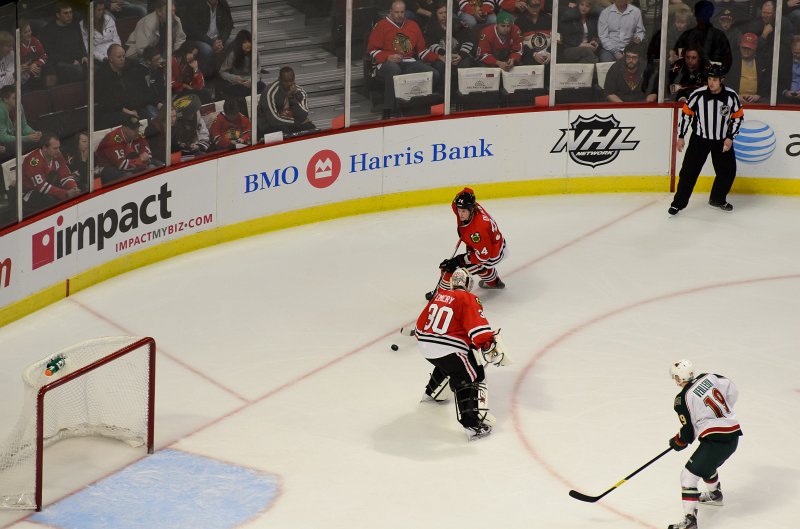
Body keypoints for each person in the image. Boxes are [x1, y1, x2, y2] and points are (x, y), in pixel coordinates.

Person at [415, 267, 510, 441]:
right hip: (447, 348)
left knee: (450, 363)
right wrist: (488, 343)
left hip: (425, 346)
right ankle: (472, 425)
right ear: (468, 284)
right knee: (471, 375)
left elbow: (420, 325)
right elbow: (477, 328)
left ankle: (432, 393)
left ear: (452, 282)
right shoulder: (468, 298)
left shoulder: (438, 295)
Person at [666, 359, 742, 529]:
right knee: (706, 464)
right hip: (733, 436)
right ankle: (715, 494)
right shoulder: (709, 377)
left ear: (679, 378)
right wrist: (723, 415)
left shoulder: (682, 398)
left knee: (688, 476)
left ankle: (690, 521)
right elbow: (732, 389)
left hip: (716, 441)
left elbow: (687, 433)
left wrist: (678, 441)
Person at [669, 64, 744, 216]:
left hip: (721, 141)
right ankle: (678, 204)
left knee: (728, 172)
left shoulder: (731, 96)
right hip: (699, 140)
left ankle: (717, 199)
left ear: (722, 80)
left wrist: (730, 137)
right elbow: (686, 115)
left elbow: (738, 118)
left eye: (715, 79)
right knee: (688, 173)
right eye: (709, 79)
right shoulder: (698, 94)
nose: (711, 82)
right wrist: (681, 136)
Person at [367, 0, 440, 119]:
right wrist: (388, 57)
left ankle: (420, 107)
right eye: (396, 12)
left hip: (407, 62)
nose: (399, 15)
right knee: (394, 70)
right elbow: (371, 51)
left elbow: (422, 51)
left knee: (434, 74)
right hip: (385, 64)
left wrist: (440, 57)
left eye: (402, 12)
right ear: (391, 12)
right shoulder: (381, 25)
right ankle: (388, 111)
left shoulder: (413, 25)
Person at [433, 187, 508, 298]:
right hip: (491, 245)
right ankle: (493, 282)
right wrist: (464, 193)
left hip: (491, 255)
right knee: (477, 264)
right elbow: (464, 194)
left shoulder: (477, 230)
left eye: (463, 211)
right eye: (459, 210)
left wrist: (459, 260)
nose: (460, 214)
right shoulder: (468, 207)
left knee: (451, 270)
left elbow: (483, 257)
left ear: (471, 209)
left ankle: (440, 297)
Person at [21, 132, 81, 217]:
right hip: (30, 193)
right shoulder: (34, 161)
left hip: (50, 186)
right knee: (49, 200)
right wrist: (66, 193)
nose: (59, 151)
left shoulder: (57, 155)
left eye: (59, 147)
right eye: (55, 148)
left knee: (80, 188)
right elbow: (41, 187)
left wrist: (74, 187)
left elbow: (64, 176)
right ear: (45, 148)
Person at [94, 114, 156, 184]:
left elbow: (148, 154)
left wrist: (142, 161)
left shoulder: (138, 135)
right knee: (128, 176)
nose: (137, 131)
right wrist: (140, 160)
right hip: (109, 168)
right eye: (133, 129)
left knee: (154, 167)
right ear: (124, 128)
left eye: (137, 127)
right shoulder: (113, 139)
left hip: (130, 165)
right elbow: (122, 165)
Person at [674, 0, 732, 74]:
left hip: (712, 77)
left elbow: (726, 60)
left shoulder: (719, 35)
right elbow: (680, 56)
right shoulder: (687, 34)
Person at [257, 66, 316, 138]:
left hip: (289, 123)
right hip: (268, 125)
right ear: (280, 79)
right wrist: (297, 123)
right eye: (286, 81)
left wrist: (291, 98)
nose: (289, 84)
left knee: (311, 128)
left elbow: (303, 116)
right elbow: (273, 120)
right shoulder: (269, 92)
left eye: (291, 80)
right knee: (283, 131)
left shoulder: (300, 92)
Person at [39, 2, 89, 86]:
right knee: (80, 71)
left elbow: (81, 42)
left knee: (96, 69)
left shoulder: (75, 25)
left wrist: (84, 55)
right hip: (60, 63)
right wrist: (71, 61)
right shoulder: (48, 30)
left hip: (78, 60)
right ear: (58, 15)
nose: (69, 15)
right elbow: (50, 53)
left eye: (70, 12)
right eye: (65, 13)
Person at [182, 0, 234, 76]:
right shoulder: (196, 5)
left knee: (232, 43)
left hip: (218, 39)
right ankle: (203, 78)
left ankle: (227, 75)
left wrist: (221, 41)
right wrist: (212, 42)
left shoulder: (223, 4)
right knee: (207, 50)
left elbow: (228, 25)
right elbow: (195, 31)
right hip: (201, 40)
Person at [95, 44, 140, 129]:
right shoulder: (101, 75)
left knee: (146, 113)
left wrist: (134, 108)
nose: (122, 59)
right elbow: (106, 101)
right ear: (110, 58)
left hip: (129, 108)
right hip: (110, 112)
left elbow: (134, 92)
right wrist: (127, 111)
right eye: (119, 57)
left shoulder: (127, 69)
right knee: (128, 119)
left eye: (123, 56)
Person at [0, 85, 42, 161]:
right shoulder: (1, 111)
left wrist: (33, 133)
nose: (18, 100)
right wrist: (26, 138)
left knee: (40, 140)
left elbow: (23, 126)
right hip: (2, 144)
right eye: (14, 98)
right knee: (13, 148)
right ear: (5, 99)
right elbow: (2, 137)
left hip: (12, 140)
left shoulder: (19, 106)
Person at [726, 33, 770, 104]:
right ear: (740, 47)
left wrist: (758, 96)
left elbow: (767, 82)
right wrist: (736, 95)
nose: (746, 51)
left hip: (756, 100)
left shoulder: (762, 62)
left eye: (749, 48)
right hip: (735, 98)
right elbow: (726, 81)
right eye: (743, 48)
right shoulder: (732, 61)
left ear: (755, 48)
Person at [219, 30, 260, 98]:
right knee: (242, 91)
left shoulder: (256, 53)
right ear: (240, 44)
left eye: (249, 42)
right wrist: (235, 78)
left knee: (262, 87)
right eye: (244, 42)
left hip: (251, 81)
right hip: (237, 83)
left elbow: (258, 72)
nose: (248, 45)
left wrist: (252, 81)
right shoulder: (233, 54)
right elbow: (222, 72)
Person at [516, 1, 554, 67]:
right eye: (532, 6)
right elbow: (517, 42)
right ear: (527, 6)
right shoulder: (520, 20)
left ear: (540, 5)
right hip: (528, 54)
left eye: (537, 6)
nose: (535, 9)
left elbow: (556, 38)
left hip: (548, 52)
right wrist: (533, 54)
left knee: (553, 60)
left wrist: (550, 52)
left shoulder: (548, 18)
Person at [19, 20, 48, 89]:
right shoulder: (15, 46)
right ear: (19, 34)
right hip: (23, 74)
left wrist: (35, 64)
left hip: (37, 69)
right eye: (25, 32)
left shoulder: (35, 41)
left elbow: (44, 56)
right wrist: (20, 67)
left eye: (29, 31)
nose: (29, 33)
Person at [778, 35, 800, 104]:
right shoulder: (783, 61)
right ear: (791, 49)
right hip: (786, 98)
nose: (798, 55)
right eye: (795, 53)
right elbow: (775, 80)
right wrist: (785, 92)